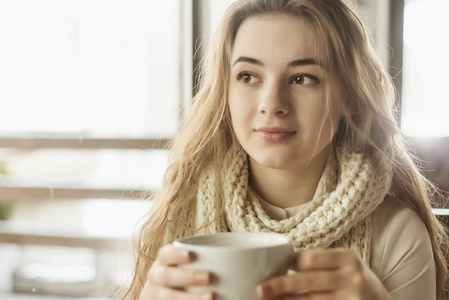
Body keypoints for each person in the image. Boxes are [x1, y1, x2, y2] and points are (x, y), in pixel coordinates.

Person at [123, 0, 449, 299]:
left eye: (302, 79)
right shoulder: (176, 220)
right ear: (226, 92)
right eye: (248, 76)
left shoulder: (397, 235)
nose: (272, 104)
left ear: (348, 95)